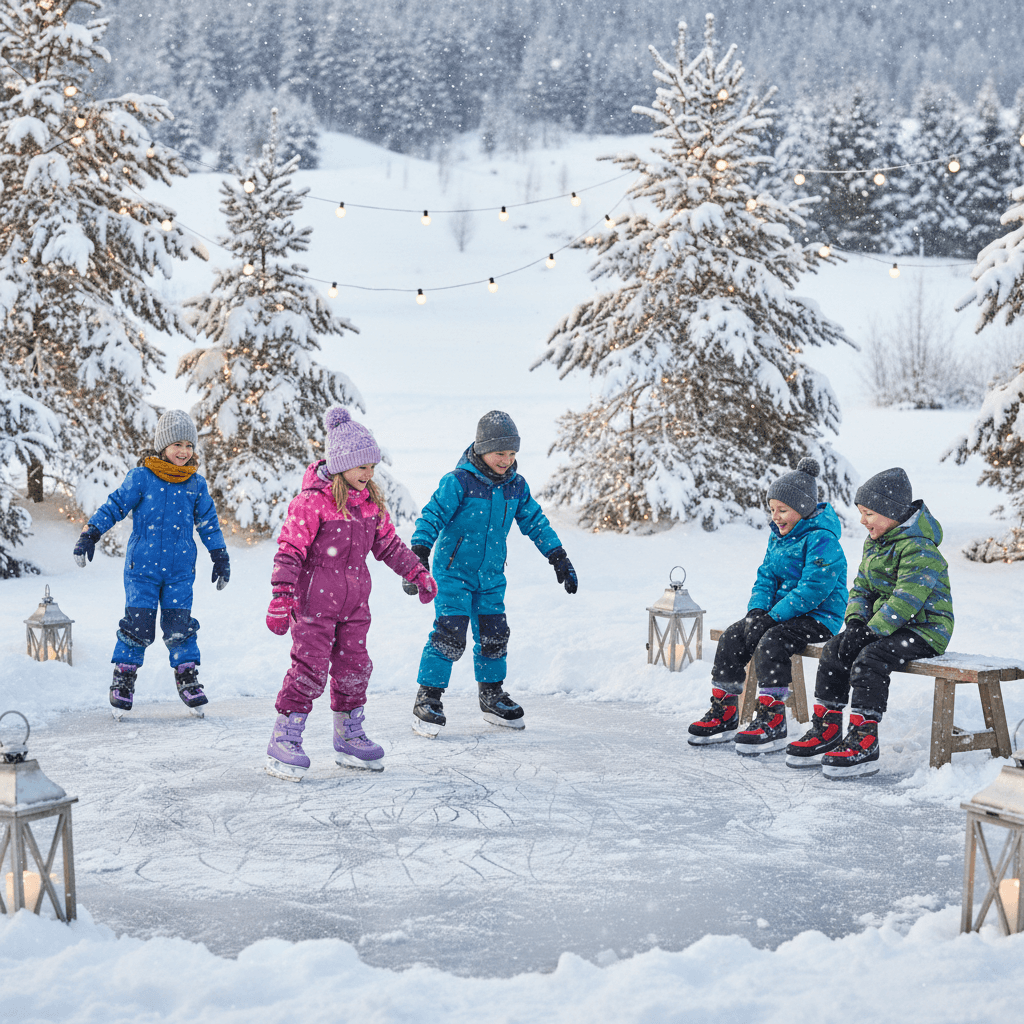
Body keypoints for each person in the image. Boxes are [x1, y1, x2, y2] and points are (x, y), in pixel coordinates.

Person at [264, 406, 437, 781]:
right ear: (342, 464)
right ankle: (285, 735)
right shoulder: (312, 502)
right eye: (362, 467)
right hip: (313, 607)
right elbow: (289, 551)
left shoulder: (369, 506)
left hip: (355, 606)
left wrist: (417, 572)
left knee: (355, 668)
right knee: (309, 669)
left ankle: (348, 734)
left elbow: (388, 545)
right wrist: (281, 598)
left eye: (372, 467)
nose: (368, 474)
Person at [408, 410, 577, 737]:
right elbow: (431, 517)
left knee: (494, 634)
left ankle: (491, 694)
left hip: (490, 577)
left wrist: (558, 556)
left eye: (512, 453)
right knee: (450, 633)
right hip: (453, 574)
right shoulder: (459, 482)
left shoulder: (515, 486)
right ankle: (427, 697)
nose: (507, 460)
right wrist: (419, 553)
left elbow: (535, 522)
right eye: (501, 453)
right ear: (482, 448)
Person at [786, 467, 953, 778]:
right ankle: (827, 726)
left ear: (892, 512)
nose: (863, 521)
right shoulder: (875, 543)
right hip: (885, 626)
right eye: (861, 513)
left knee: (870, 657)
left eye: (869, 514)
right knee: (835, 647)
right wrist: (854, 624)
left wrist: (871, 631)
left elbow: (906, 600)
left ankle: (865, 738)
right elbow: (862, 588)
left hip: (925, 629)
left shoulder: (920, 547)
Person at [72, 409, 229, 714]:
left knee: (179, 627)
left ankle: (188, 678)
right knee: (137, 626)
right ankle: (124, 679)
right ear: (162, 446)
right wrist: (90, 534)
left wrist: (219, 555)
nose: (183, 452)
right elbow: (115, 506)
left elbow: (208, 523)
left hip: (180, 571)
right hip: (141, 570)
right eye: (176, 445)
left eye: (189, 445)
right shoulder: (141, 477)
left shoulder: (196, 485)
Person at [688, 457, 848, 754]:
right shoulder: (779, 538)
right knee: (733, 636)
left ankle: (772, 717)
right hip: (780, 615)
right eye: (772, 509)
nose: (775, 516)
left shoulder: (823, 540)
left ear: (802, 509)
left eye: (783, 510)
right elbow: (765, 577)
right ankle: (725, 711)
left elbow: (812, 590)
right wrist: (757, 612)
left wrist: (772, 617)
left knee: (772, 641)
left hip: (819, 617)